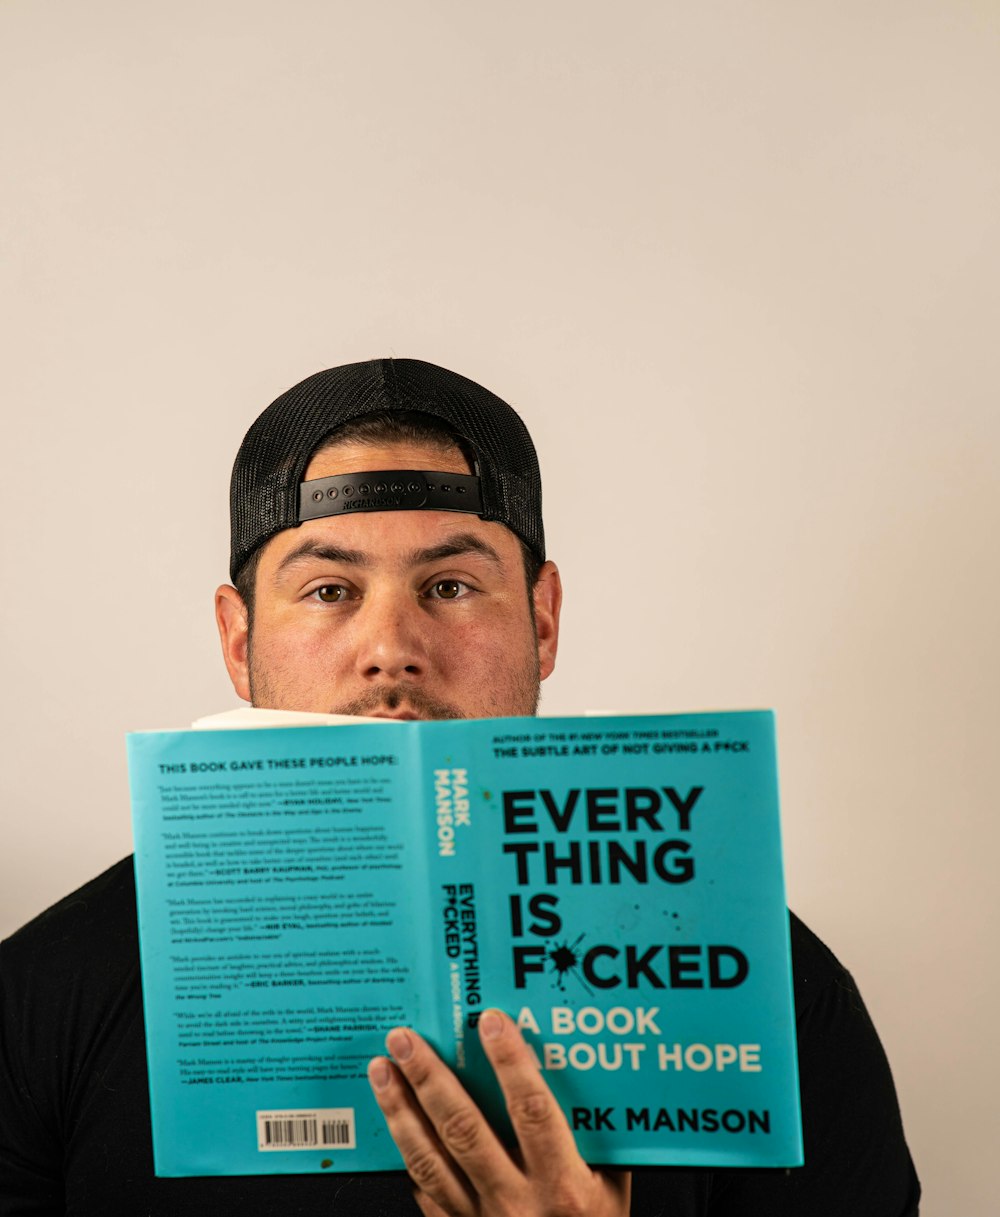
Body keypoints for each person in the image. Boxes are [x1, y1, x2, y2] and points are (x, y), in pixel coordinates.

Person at [0, 358, 920, 1215]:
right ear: (239, 640)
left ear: (543, 620)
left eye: (448, 585)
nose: (390, 647)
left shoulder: (770, 998)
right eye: (328, 590)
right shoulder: (45, 995)